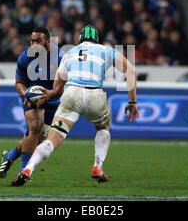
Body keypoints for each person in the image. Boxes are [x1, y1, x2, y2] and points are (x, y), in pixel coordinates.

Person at [10, 25, 140, 186]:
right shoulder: (107, 50)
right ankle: (97, 167)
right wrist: (132, 101)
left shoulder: (69, 52)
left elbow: (57, 88)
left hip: (71, 93)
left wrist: (49, 94)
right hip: (95, 93)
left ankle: (27, 169)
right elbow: (131, 71)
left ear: (80, 39)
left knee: (51, 139)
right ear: (97, 39)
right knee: (103, 128)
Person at [0, 27, 65, 183]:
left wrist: (52, 93)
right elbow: (19, 82)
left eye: (38, 41)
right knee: (35, 126)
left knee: (38, 138)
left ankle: (11, 155)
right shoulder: (25, 57)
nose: (34, 44)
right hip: (32, 98)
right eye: (32, 40)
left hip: (53, 100)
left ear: (48, 42)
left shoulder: (61, 57)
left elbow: (66, 84)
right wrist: (26, 95)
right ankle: (23, 172)